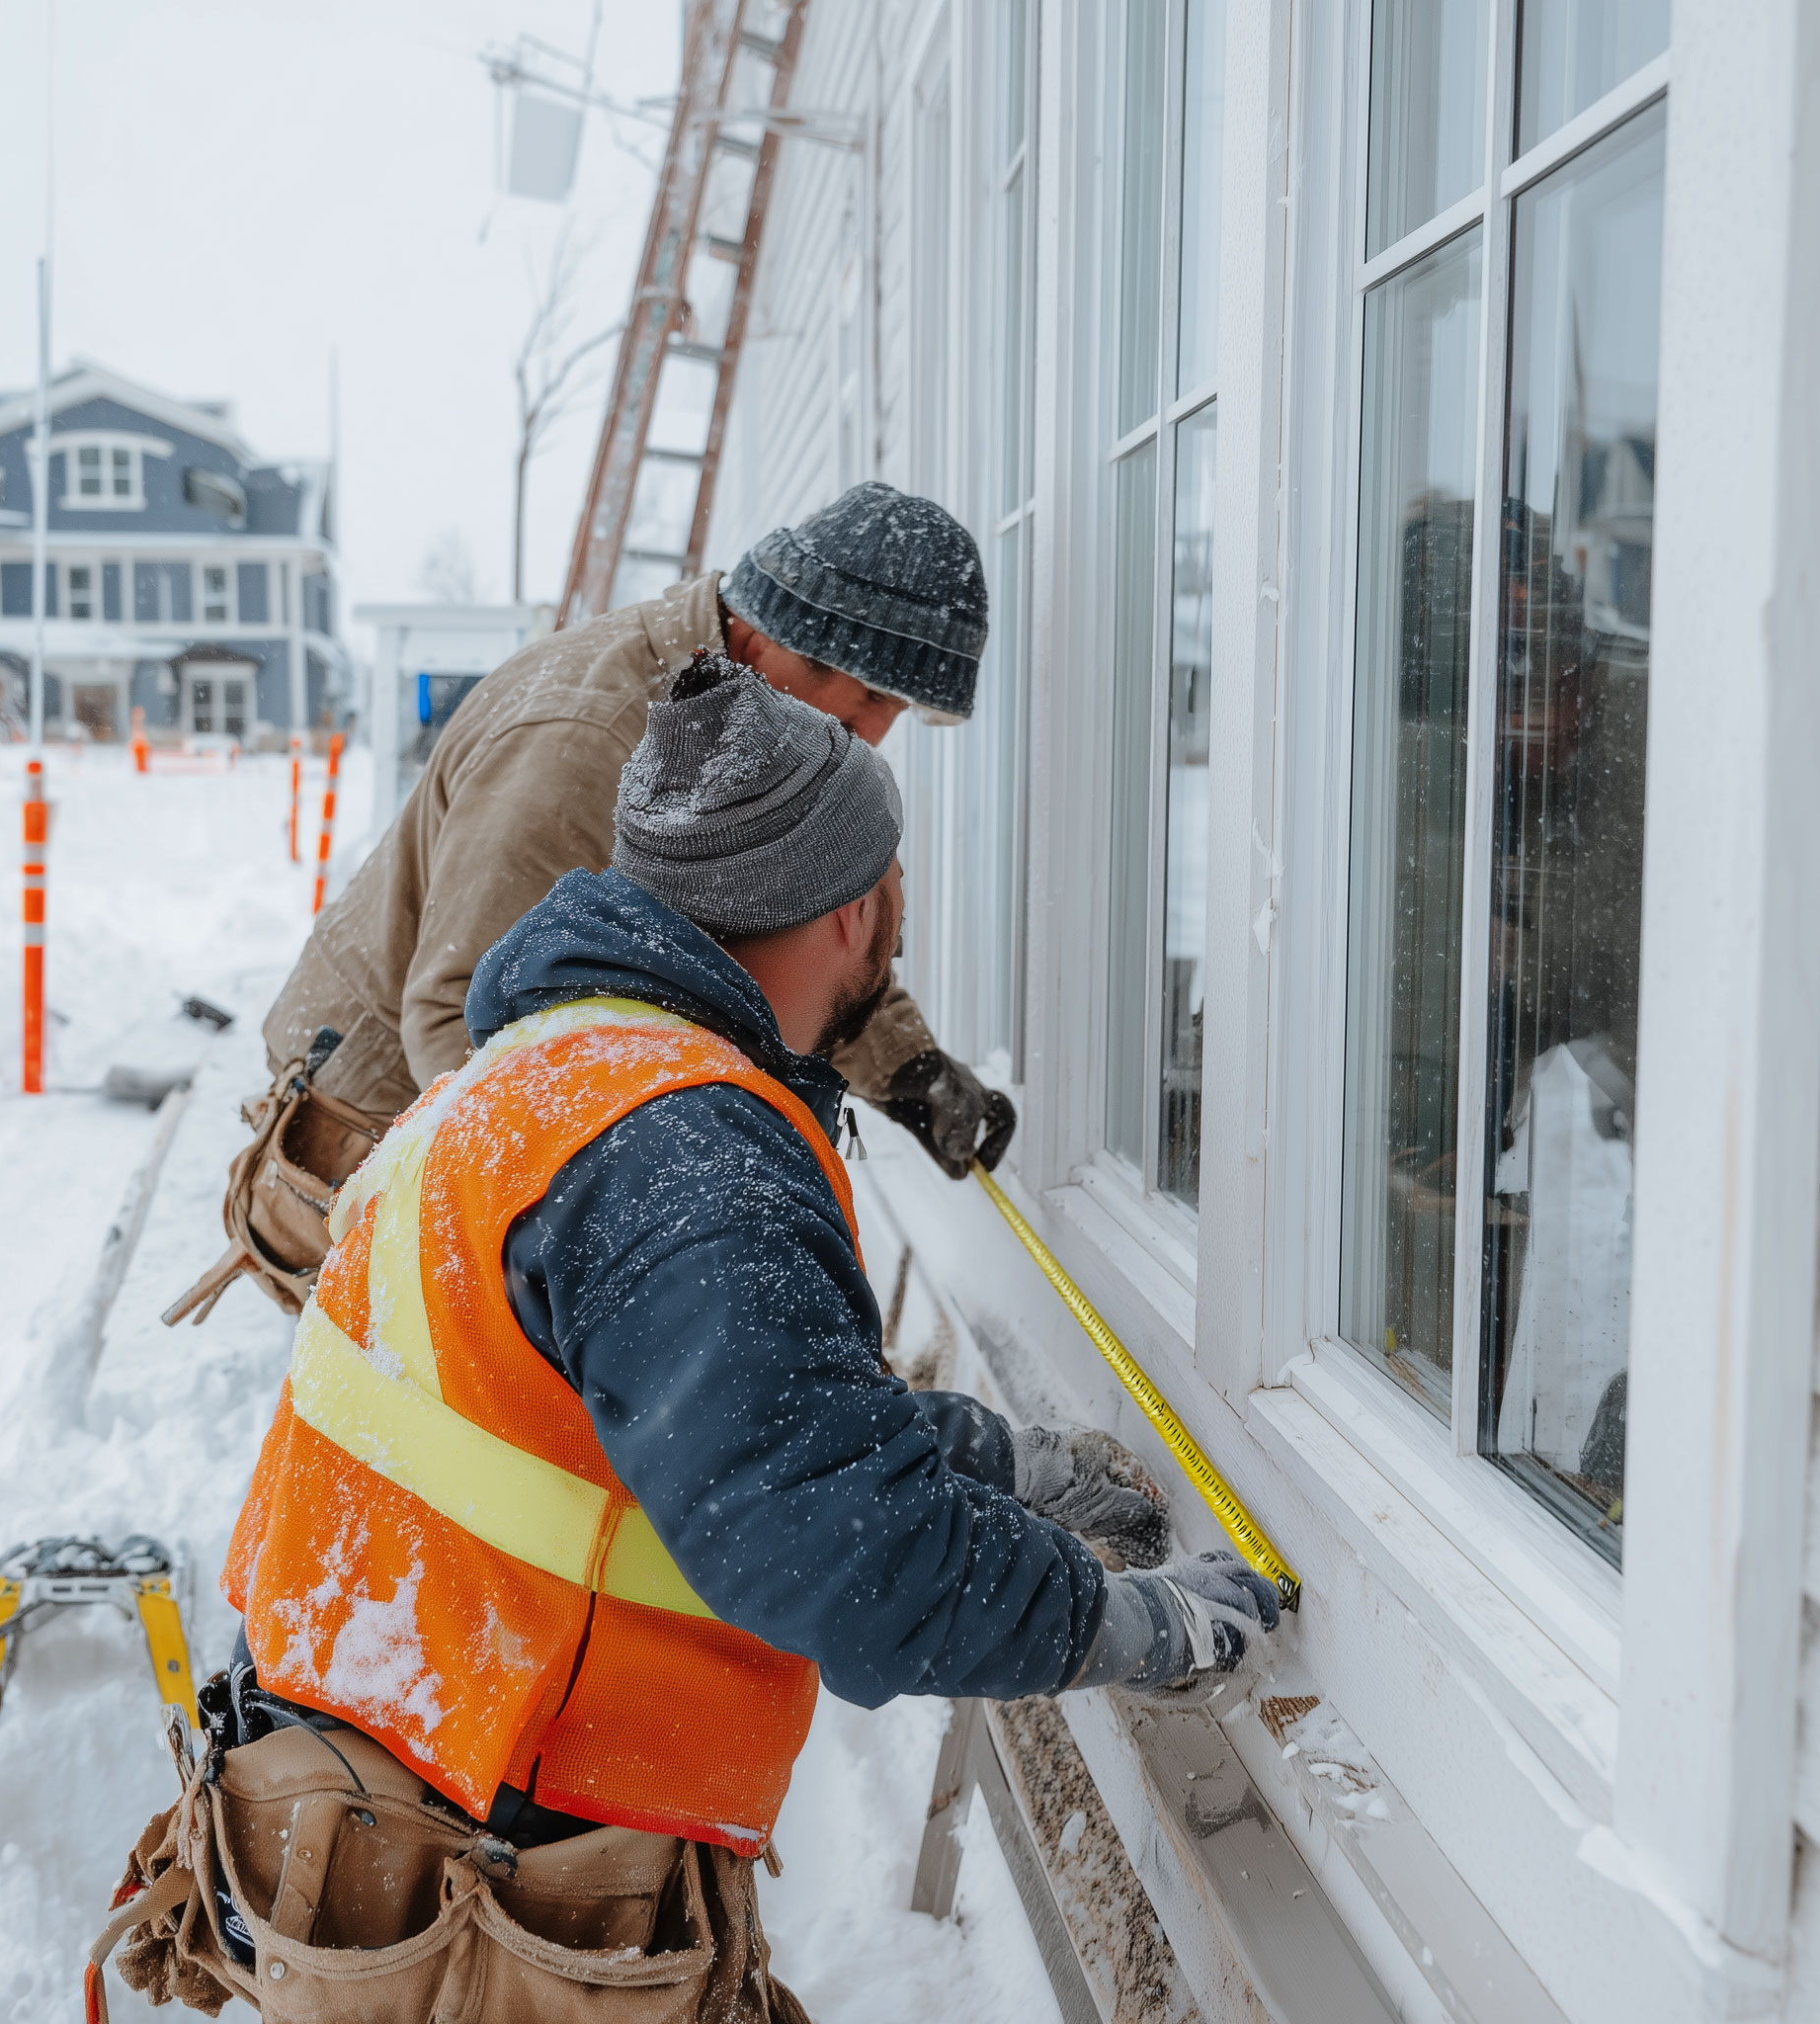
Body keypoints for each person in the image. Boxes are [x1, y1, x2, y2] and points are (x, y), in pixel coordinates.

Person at [99, 655, 1280, 2020]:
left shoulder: (556, 1073)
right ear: (856, 905)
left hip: (384, 1773)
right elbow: (855, 1554)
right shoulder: (681, 1156)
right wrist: (1132, 1627)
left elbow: (724, 1421)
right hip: (488, 1871)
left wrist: (995, 1463)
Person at [167, 482, 1017, 1324]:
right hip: (381, 1132)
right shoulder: (589, 740)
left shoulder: (748, 737)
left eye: (897, 708)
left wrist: (913, 1073)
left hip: (501, 1125)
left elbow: (793, 923)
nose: (875, 733)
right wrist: (628, 1232)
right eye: (869, 698)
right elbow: (457, 1018)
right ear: (762, 644)